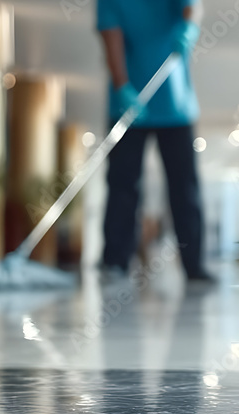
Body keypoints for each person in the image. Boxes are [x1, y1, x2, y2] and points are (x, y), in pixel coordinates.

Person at [97, 0, 213, 281]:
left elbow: (192, 6)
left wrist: (189, 25)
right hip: (128, 103)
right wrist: (123, 87)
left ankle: (193, 265)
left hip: (176, 105)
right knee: (123, 183)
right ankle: (115, 261)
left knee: (184, 187)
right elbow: (111, 39)